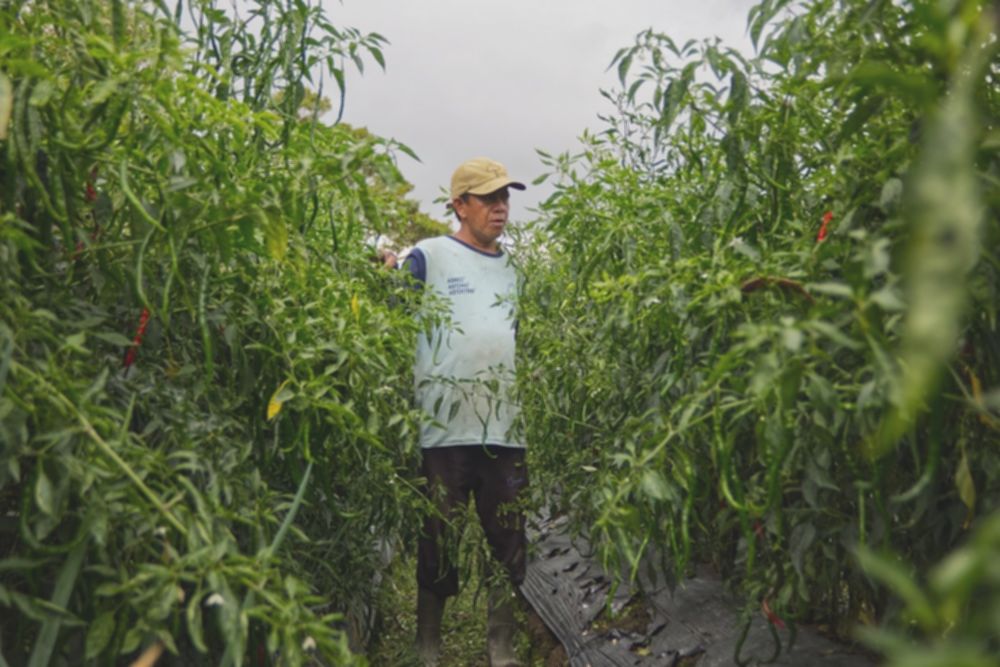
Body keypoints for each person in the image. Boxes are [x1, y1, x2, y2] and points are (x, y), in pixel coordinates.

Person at [402, 157, 529, 667]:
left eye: (505, 198)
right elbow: (391, 325)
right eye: (489, 199)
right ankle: (427, 645)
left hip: (504, 427)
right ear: (460, 205)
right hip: (442, 428)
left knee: (509, 536)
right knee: (439, 535)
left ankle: (501, 645)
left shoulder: (515, 270)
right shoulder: (428, 257)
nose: (501, 208)